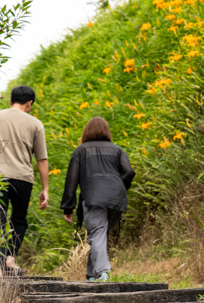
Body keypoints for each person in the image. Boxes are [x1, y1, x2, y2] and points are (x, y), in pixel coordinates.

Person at [60, 116, 135, 282]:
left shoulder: (81, 150)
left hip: (94, 197)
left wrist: (68, 207)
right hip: (116, 198)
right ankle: (92, 275)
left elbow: (71, 181)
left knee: (97, 234)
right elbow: (129, 172)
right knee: (99, 234)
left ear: (86, 132)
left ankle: (102, 273)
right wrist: (118, 186)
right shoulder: (117, 150)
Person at [0, 85, 50, 276]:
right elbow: (41, 159)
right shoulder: (35, 124)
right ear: (30, 103)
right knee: (19, 220)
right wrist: (45, 188)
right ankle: (10, 259)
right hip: (23, 179)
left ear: (10, 101)